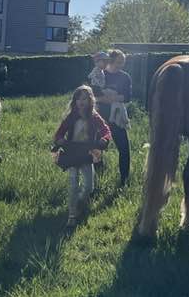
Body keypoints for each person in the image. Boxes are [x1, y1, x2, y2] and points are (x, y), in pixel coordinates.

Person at [52, 85, 111, 227]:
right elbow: (59, 133)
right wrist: (60, 140)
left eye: (84, 98)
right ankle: (72, 215)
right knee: (73, 184)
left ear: (90, 100)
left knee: (89, 187)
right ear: (75, 101)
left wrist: (104, 139)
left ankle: (79, 203)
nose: (81, 102)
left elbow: (106, 130)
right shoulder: (71, 117)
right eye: (78, 99)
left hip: (87, 153)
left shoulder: (94, 117)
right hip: (72, 153)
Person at [94, 49, 132, 187]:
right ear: (110, 61)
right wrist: (109, 98)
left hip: (117, 117)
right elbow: (94, 95)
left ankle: (124, 180)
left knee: (124, 149)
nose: (121, 65)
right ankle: (98, 178)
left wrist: (110, 98)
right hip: (100, 117)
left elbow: (127, 97)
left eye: (123, 62)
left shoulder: (125, 77)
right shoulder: (100, 74)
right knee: (97, 147)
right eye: (118, 62)